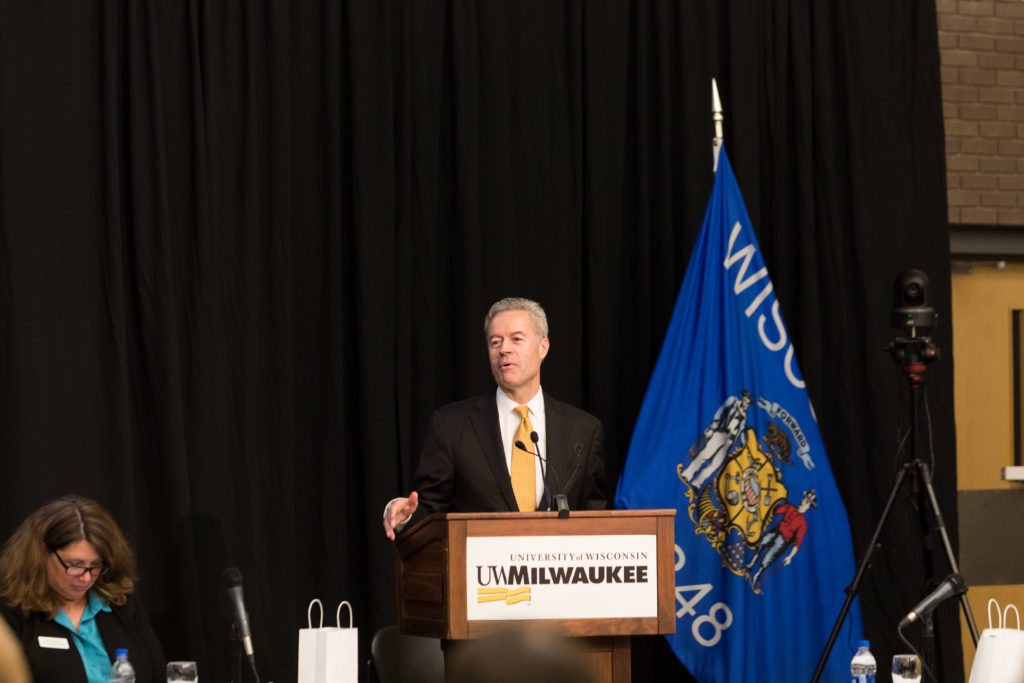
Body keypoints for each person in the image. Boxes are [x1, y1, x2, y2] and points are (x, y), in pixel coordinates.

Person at [384, 297, 607, 539]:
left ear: (543, 347)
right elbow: (429, 514)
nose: (504, 349)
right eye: (495, 342)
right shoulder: (452, 426)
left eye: (516, 339)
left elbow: (595, 520)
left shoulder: (583, 430)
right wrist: (405, 516)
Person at [0, 495, 165, 683]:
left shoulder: (121, 602)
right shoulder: (11, 612)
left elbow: (158, 676)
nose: (86, 577)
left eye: (95, 565)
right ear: (41, 554)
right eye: (75, 564)